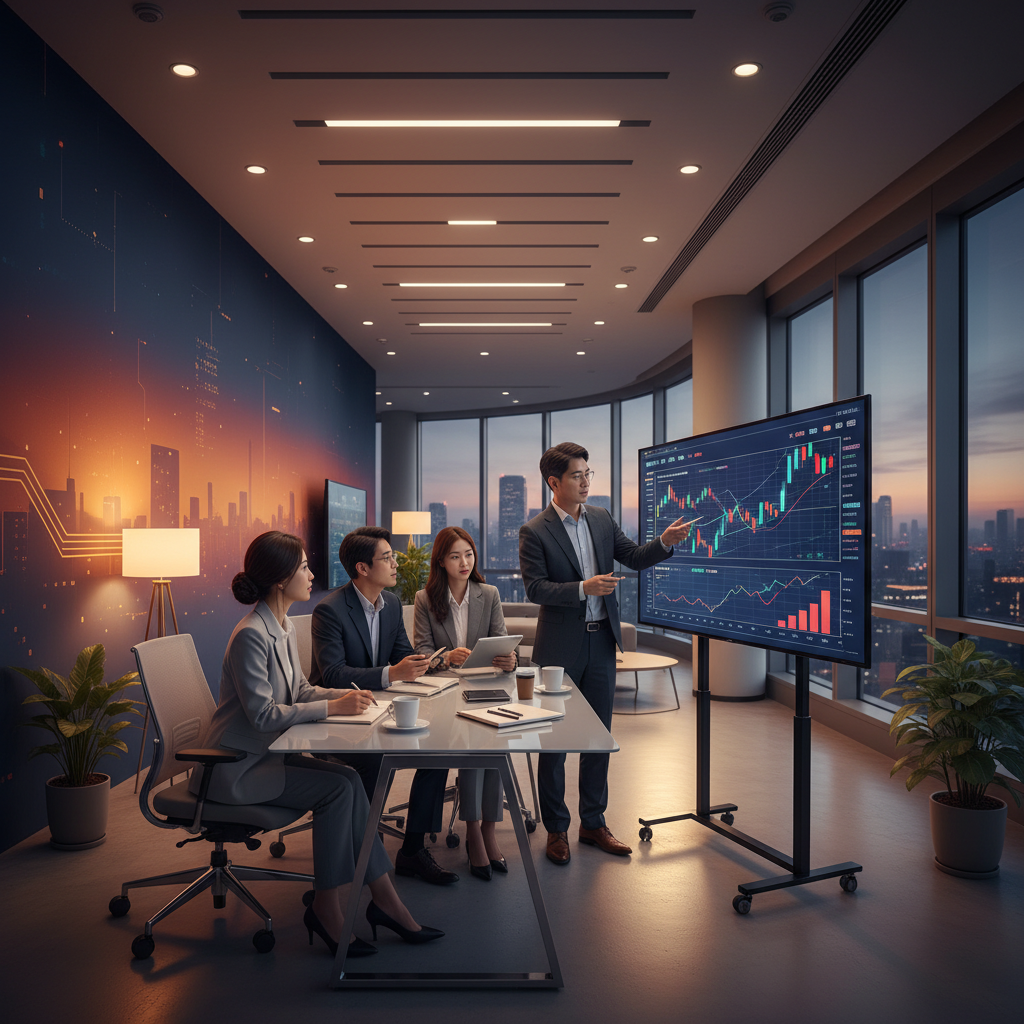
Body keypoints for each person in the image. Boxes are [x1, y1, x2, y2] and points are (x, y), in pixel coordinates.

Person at [191, 530, 443, 955]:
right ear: (279, 579)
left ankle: (376, 903)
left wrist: (345, 700)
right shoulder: (252, 635)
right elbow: (266, 714)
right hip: (236, 767)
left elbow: (302, 691)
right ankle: (339, 908)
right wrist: (332, 709)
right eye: (305, 567)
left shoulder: (282, 626)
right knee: (338, 789)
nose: (312, 575)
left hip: (266, 756)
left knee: (345, 779)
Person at [519, 442, 694, 865]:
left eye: (588, 474)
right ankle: (556, 830)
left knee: (598, 739)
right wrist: (583, 589)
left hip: (601, 644)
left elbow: (632, 557)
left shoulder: (600, 519)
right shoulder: (535, 530)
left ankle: (593, 823)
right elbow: (536, 589)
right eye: (577, 476)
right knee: (554, 743)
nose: (585, 482)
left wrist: (664, 543)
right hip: (558, 650)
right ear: (554, 482)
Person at [308, 526, 458, 885]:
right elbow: (332, 675)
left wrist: (432, 661)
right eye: (387, 557)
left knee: (437, 752)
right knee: (375, 758)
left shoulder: (390, 604)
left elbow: (402, 654)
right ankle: (367, 853)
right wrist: (392, 674)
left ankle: (413, 850)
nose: (396, 563)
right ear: (362, 568)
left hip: (381, 711)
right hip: (340, 717)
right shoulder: (329, 611)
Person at [413, 526, 517, 881]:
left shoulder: (488, 593)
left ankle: (488, 829)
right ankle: (473, 830)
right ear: (441, 561)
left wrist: (510, 660)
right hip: (443, 693)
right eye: (455, 556)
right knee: (475, 746)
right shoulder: (425, 599)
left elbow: (503, 643)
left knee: (495, 744)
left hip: (486, 687)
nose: (464, 562)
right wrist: (446, 659)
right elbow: (421, 655)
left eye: (469, 554)